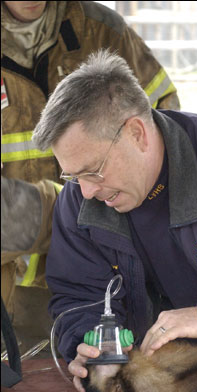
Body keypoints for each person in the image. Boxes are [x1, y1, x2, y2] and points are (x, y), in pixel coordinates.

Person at [32, 49, 197, 392]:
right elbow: (77, 295)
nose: (87, 190)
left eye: (94, 170)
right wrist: (89, 347)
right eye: (72, 175)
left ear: (137, 134)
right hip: (171, 384)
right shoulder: (79, 198)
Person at [1, 1, 180, 340]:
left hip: (115, 275)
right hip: (18, 293)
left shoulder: (103, 30)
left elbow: (163, 130)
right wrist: (53, 212)